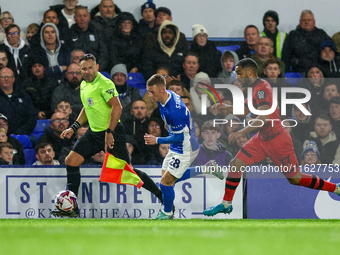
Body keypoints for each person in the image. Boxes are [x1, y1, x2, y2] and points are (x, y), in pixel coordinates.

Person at [203, 58, 340, 217]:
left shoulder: (262, 89)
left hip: (278, 140)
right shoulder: (254, 88)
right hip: (262, 139)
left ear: (250, 73)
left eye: (239, 74)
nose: (238, 78)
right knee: (236, 164)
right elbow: (245, 110)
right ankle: (226, 204)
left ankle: (335, 188)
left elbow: (264, 118)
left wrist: (241, 131)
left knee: (295, 179)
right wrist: (226, 107)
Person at [51, 53, 163, 217]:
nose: (87, 71)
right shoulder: (84, 85)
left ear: (96, 67)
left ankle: (163, 198)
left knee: (128, 172)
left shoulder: (104, 83)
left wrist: (109, 132)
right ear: (80, 70)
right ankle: (72, 209)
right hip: (94, 133)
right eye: (84, 69)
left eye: (90, 68)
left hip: (113, 133)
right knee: (71, 161)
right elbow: (87, 109)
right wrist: (73, 127)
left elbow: (117, 107)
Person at [144, 74, 220, 220]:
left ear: (161, 90)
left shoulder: (174, 111)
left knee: (166, 183)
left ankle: (167, 213)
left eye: (152, 92)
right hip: (178, 145)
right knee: (167, 180)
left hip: (186, 147)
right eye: (148, 91)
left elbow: (179, 136)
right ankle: (207, 168)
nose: (149, 95)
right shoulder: (167, 96)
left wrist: (157, 140)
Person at [70, 6, 109, 72]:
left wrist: (97, 69)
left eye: (85, 16)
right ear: (74, 18)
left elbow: (104, 54)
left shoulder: (97, 32)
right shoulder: (69, 34)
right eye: (79, 16)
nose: (82, 19)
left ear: (89, 17)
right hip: (76, 71)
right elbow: (67, 55)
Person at [0, 67, 36, 135]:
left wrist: (19, 133)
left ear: (13, 79)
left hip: (21, 136)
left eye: (9, 77)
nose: (6, 79)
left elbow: (32, 118)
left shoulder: (24, 96)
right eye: (3, 77)